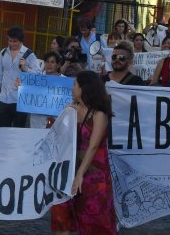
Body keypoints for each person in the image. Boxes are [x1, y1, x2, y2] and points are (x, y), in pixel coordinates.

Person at [51, 71, 116, 235]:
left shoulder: (99, 113)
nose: (72, 88)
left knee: (94, 220)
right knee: (61, 217)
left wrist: (80, 174)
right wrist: (63, 117)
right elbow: (59, 138)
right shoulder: (71, 109)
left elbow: (93, 146)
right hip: (70, 171)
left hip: (94, 175)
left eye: (75, 84)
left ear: (84, 88)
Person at [0, 26, 40, 127]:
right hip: (3, 98)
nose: (12, 44)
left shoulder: (29, 54)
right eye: (10, 41)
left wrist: (25, 68)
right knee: (2, 131)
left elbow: (38, 75)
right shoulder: (3, 53)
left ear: (21, 41)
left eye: (15, 41)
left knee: (18, 132)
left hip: (20, 100)